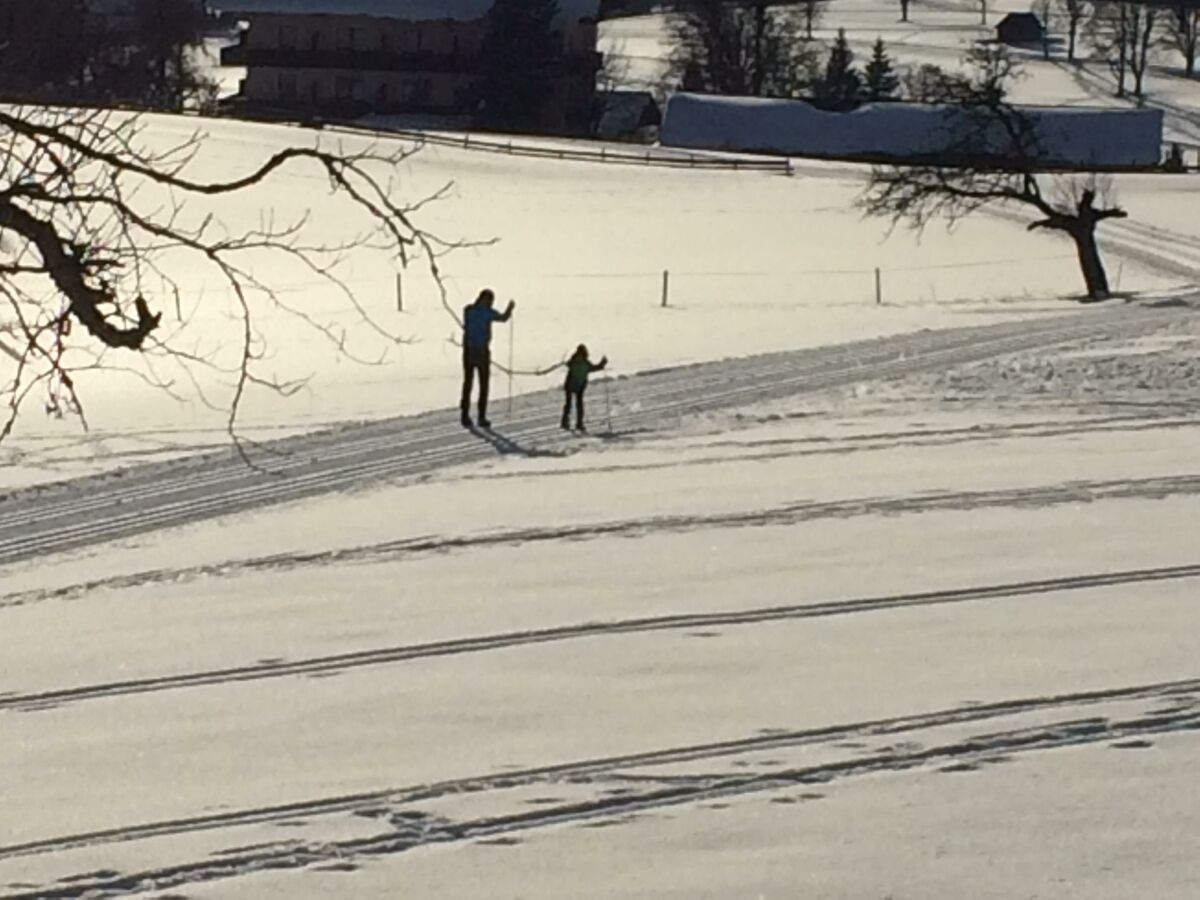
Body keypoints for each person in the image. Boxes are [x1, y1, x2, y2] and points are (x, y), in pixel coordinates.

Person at [460, 288, 514, 428]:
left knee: (468, 383)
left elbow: (466, 320)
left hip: (468, 351)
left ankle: (465, 415)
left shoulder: (469, 310)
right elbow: (503, 318)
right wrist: (510, 308)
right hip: (481, 352)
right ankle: (481, 417)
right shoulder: (487, 312)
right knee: (483, 385)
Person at [562, 344, 607, 432]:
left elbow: (567, 364)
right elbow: (595, 368)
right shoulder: (585, 362)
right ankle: (579, 424)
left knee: (568, 404)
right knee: (579, 405)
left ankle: (565, 422)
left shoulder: (573, 361)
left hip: (570, 385)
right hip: (579, 386)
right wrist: (603, 363)